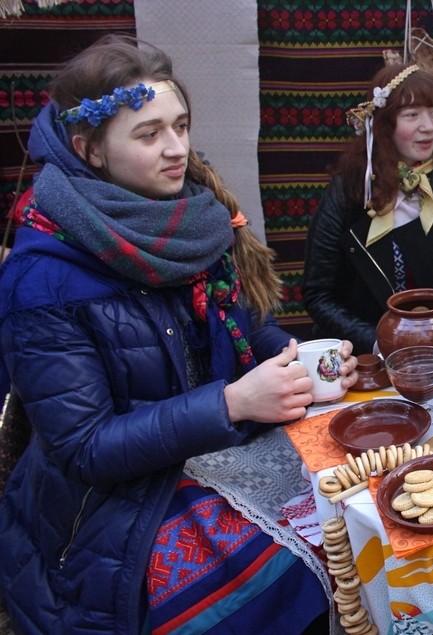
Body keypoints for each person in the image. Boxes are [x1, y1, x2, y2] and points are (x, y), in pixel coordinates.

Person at [0, 34, 358, 633]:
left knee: (356, 495)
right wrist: (233, 402)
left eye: (181, 126)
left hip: (212, 449)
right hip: (106, 517)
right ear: (90, 150)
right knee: (278, 569)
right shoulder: (43, 279)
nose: (176, 149)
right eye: (148, 135)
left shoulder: (191, 222)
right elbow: (87, 447)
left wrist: (298, 361)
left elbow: (246, 331)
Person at [302, 63, 433, 353]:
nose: (428, 126)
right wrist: (378, 344)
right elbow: (318, 295)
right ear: (385, 124)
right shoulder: (350, 191)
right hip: (366, 358)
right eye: (412, 115)